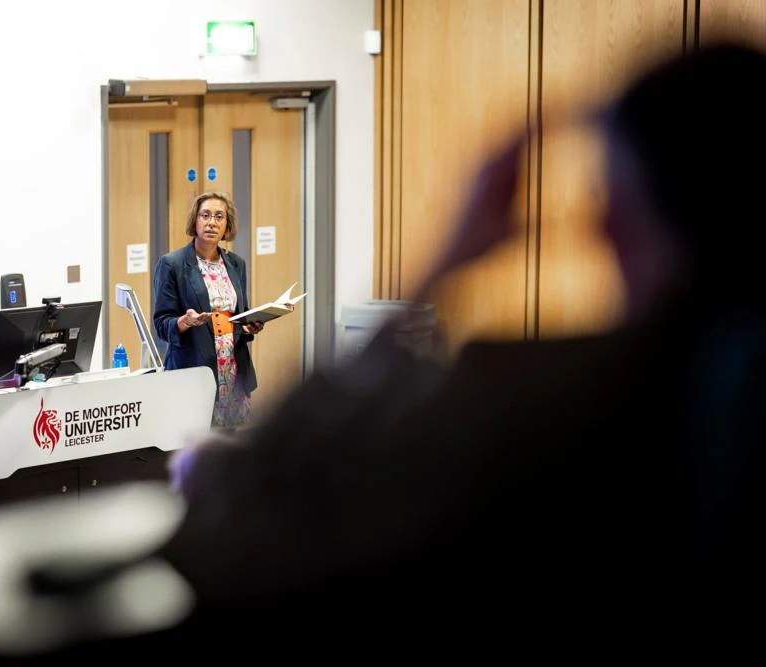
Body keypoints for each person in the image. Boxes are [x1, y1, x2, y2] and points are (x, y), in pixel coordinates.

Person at [155, 43, 766, 645]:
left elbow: (245, 515)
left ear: (620, 221)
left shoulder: (551, 399)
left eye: (607, 195)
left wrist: (441, 269)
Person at [152, 191, 266, 429]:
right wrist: (184, 322)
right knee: (194, 443)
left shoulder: (236, 263)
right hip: (194, 370)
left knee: (232, 444)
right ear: (195, 221)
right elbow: (162, 324)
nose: (212, 222)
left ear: (227, 226)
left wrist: (249, 326)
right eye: (205, 215)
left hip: (232, 370)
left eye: (219, 217)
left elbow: (239, 314)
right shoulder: (172, 264)